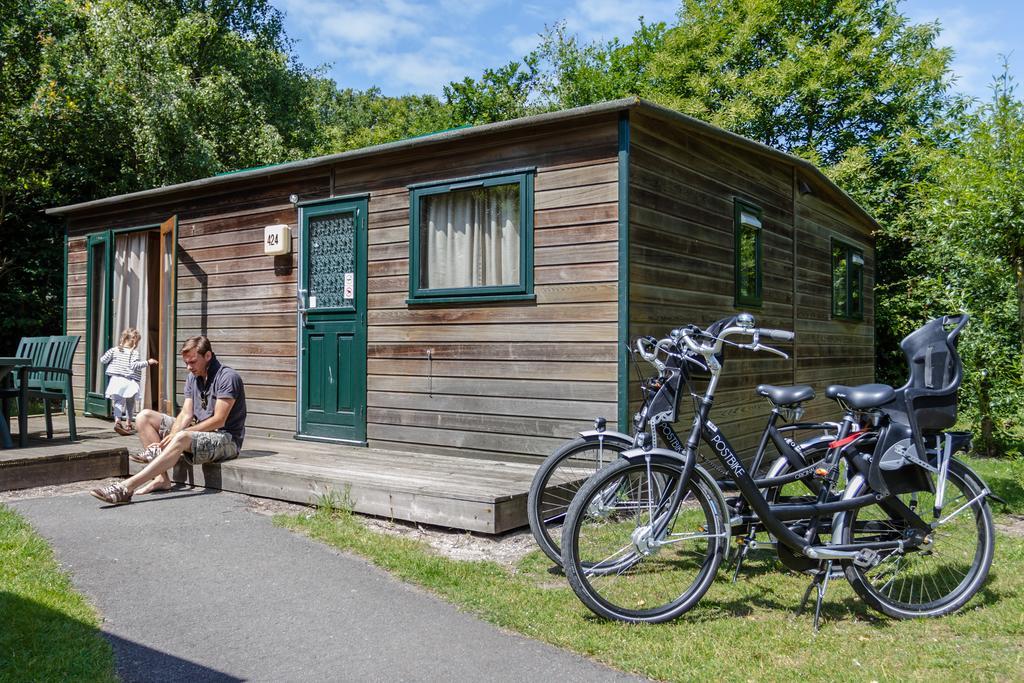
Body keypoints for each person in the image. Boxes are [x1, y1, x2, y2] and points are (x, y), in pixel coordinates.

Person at [91, 335, 247, 505]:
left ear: (208, 356)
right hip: (200, 433)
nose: (188, 367)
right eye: (186, 362)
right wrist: (172, 434)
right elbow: (187, 413)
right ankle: (161, 478)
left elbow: (219, 420)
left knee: (181, 436)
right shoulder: (193, 377)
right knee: (144, 417)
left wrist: (181, 434)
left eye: (193, 362)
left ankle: (126, 487)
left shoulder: (228, 377)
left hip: (227, 440)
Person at [100, 327, 157, 435]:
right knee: (130, 403)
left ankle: (117, 421)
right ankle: (128, 423)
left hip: (116, 380)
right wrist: (148, 362)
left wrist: (112, 358)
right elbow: (134, 365)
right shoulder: (134, 353)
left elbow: (103, 360)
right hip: (128, 381)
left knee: (118, 402)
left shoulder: (114, 350)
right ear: (134, 341)